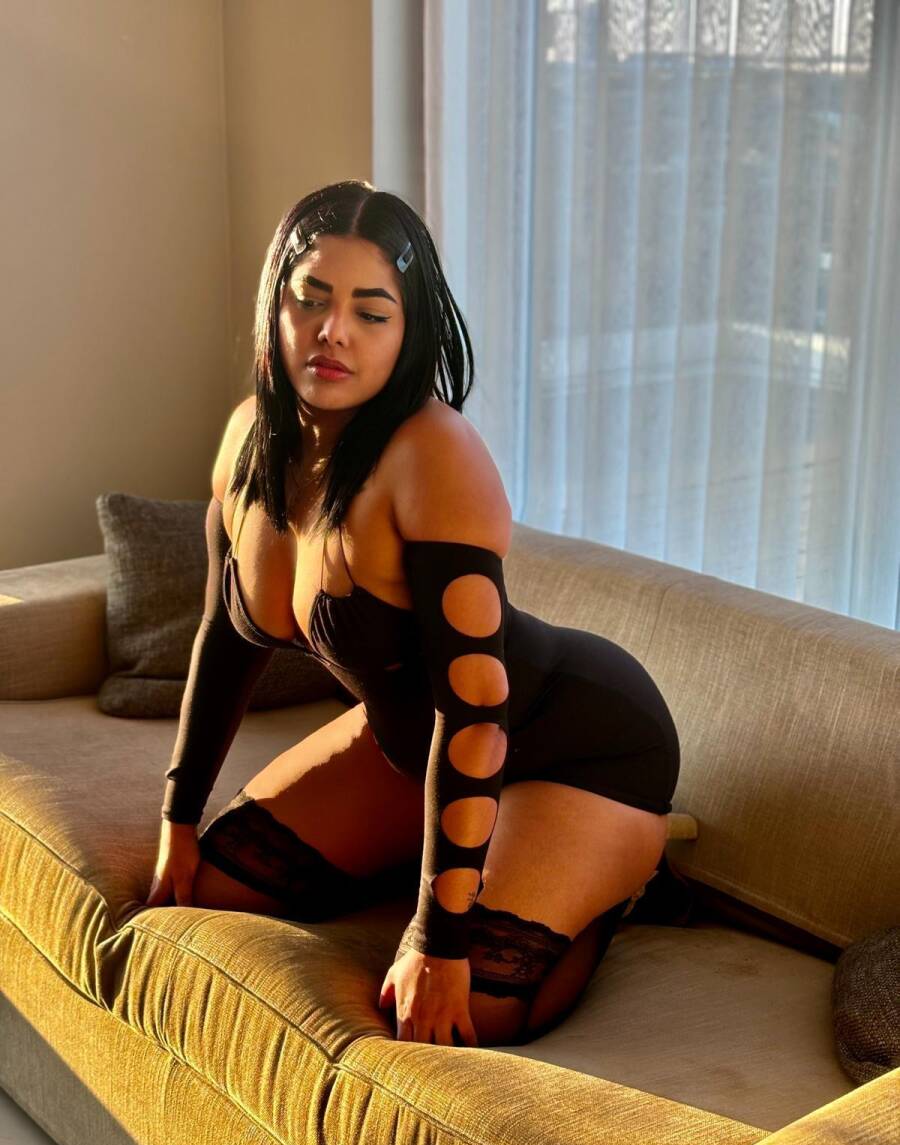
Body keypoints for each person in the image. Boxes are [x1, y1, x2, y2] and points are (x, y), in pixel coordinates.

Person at [145, 179, 681, 1049]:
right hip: (414, 748)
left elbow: (475, 715)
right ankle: (468, 861)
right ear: (276, 302)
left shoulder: (434, 455)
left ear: (409, 331)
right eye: (311, 299)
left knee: (461, 1013)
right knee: (211, 887)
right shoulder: (247, 439)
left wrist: (438, 938)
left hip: (576, 749)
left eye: (371, 312)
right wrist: (177, 817)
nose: (333, 331)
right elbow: (225, 642)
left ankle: (623, 874)